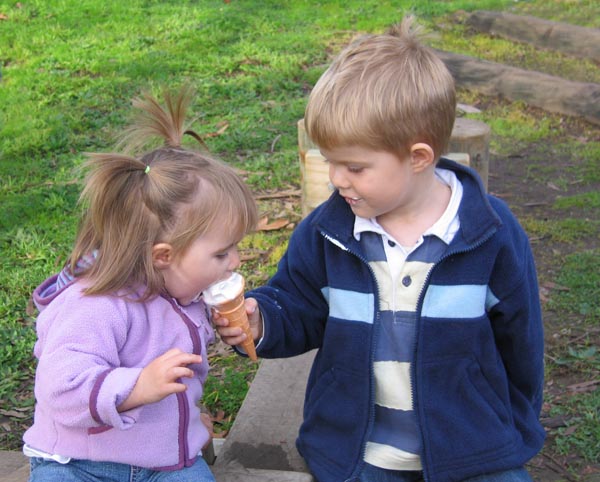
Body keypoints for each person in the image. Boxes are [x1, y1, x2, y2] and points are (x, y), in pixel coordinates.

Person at [214, 16, 545, 482]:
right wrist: (261, 319)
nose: (336, 179)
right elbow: (298, 303)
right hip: (357, 452)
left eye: (354, 166)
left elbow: (522, 341)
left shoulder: (490, 234)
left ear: (418, 158)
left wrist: (514, 424)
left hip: (473, 451)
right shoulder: (328, 231)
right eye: (330, 162)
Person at [23, 85, 258, 482]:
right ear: (163, 256)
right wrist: (136, 386)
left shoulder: (185, 295)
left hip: (167, 463)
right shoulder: (94, 305)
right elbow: (59, 388)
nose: (235, 262)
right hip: (80, 463)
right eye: (222, 253)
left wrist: (228, 330)